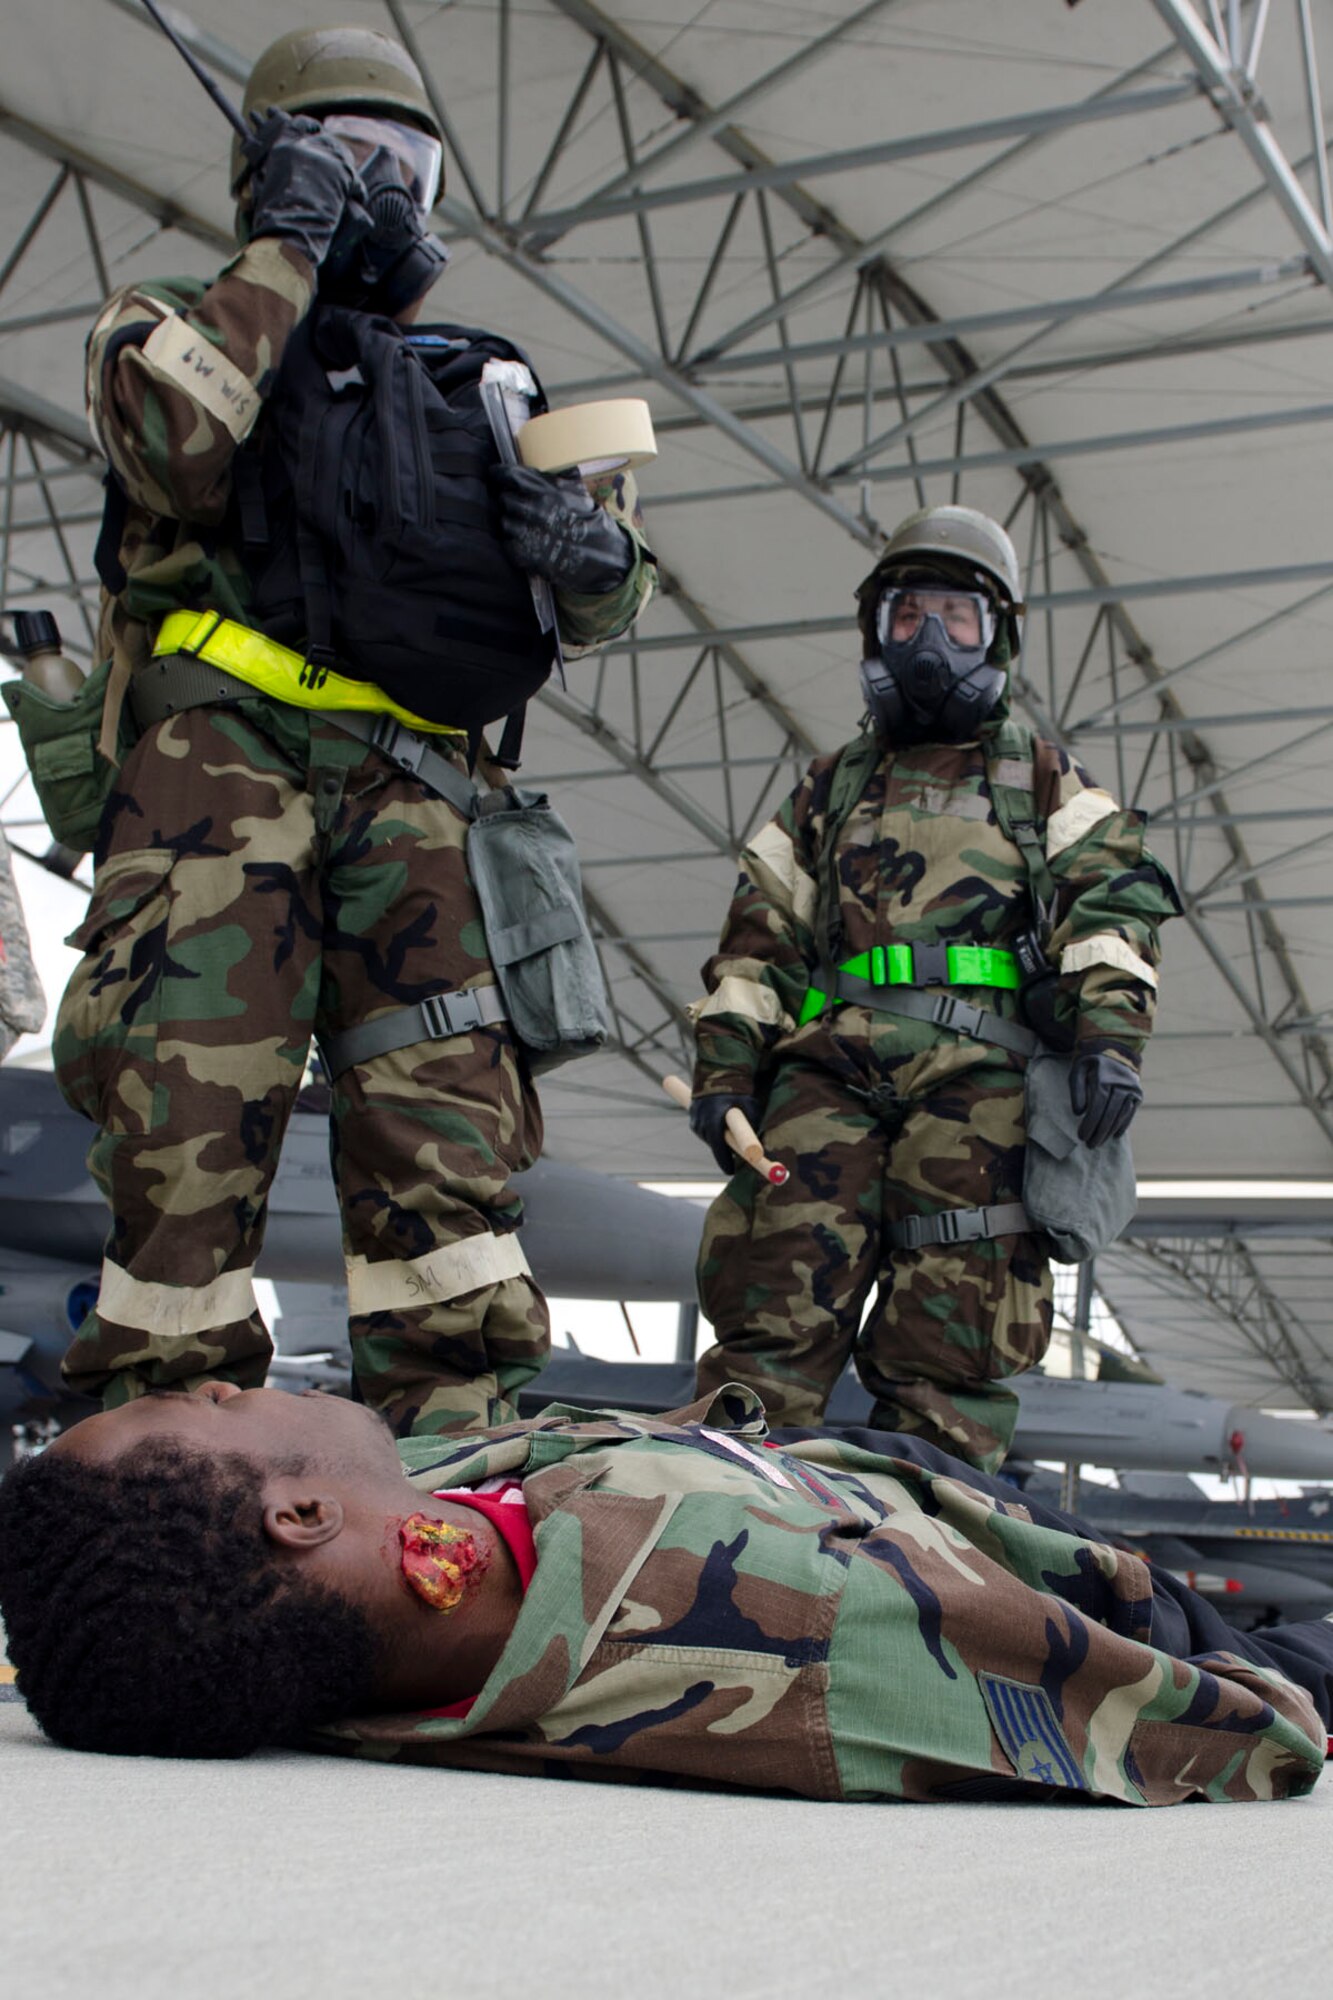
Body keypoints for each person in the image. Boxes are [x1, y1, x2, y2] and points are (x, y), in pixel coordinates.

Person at [50, 25, 655, 1435]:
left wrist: (588, 552)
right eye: (348, 157)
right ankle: (173, 1466)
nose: (385, 192)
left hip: (422, 798)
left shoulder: (480, 388)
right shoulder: (165, 322)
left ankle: (455, 1471)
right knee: (186, 1151)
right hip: (220, 777)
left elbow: (595, 604)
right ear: (272, 166)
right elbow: (179, 448)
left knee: (445, 1163)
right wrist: (284, 249)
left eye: (408, 165)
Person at [0, 1382, 1327, 1807]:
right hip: (1090, 1591)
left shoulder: (383, 1594)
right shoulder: (818, 1639)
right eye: (200, 1404)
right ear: (298, 1519)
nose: (230, 1381)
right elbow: (1239, 1737)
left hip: (841, 1473)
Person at [686, 505, 1179, 1471]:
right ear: (874, 627)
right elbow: (757, 940)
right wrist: (723, 1075)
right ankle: (717, 1514)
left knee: (951, 1332)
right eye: (908, 615)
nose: (929, 642)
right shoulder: (825, 790)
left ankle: (921, 1550)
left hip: (978, 1084)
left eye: (957, 617)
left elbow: (1111, 902)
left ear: (997, 633)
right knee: (769, 1304)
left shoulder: (1043, 781)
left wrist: (1109, 1039)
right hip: (822, 1074)